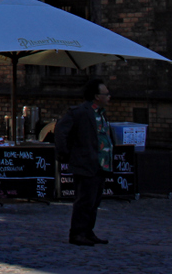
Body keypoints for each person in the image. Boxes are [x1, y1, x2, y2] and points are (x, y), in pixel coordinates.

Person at [56, 79, 113, 247]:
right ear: (96, 96)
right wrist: (65, 154)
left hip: (101, 163)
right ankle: (78, 232)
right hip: (86, 162)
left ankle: (88, 231)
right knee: (84, 200)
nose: (109, 97)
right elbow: (61, 131)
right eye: (106, 94)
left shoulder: (101, 114)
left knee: (94, 201)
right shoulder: (80, 112)